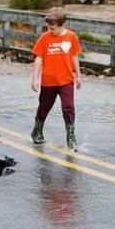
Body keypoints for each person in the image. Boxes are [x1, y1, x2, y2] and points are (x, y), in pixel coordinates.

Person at [30, 8, 83, 149]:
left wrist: (78, 75)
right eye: (48, 27)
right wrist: (35, 78)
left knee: (68, 107)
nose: (50, 30)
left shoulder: (71, 37)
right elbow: (39, 58)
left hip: (66, 80)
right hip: (49, 81)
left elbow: (74, 56)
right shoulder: (45, 38)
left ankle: (71, 135)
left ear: (62, 24)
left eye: (53, 28)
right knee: (44, 107)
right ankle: (37, 130)